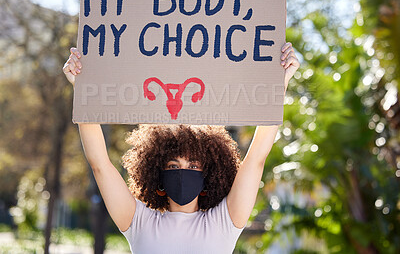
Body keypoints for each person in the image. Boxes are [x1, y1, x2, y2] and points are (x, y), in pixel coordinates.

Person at [62, 42, 300, 253]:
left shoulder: (224, 222)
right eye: (173, 165)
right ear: (157, 174)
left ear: (208, 175)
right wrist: (82, 89)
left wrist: (279, 85)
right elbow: (100, 165)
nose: (183, 172)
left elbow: (256, 158)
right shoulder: (139, 222)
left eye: (193, 165)